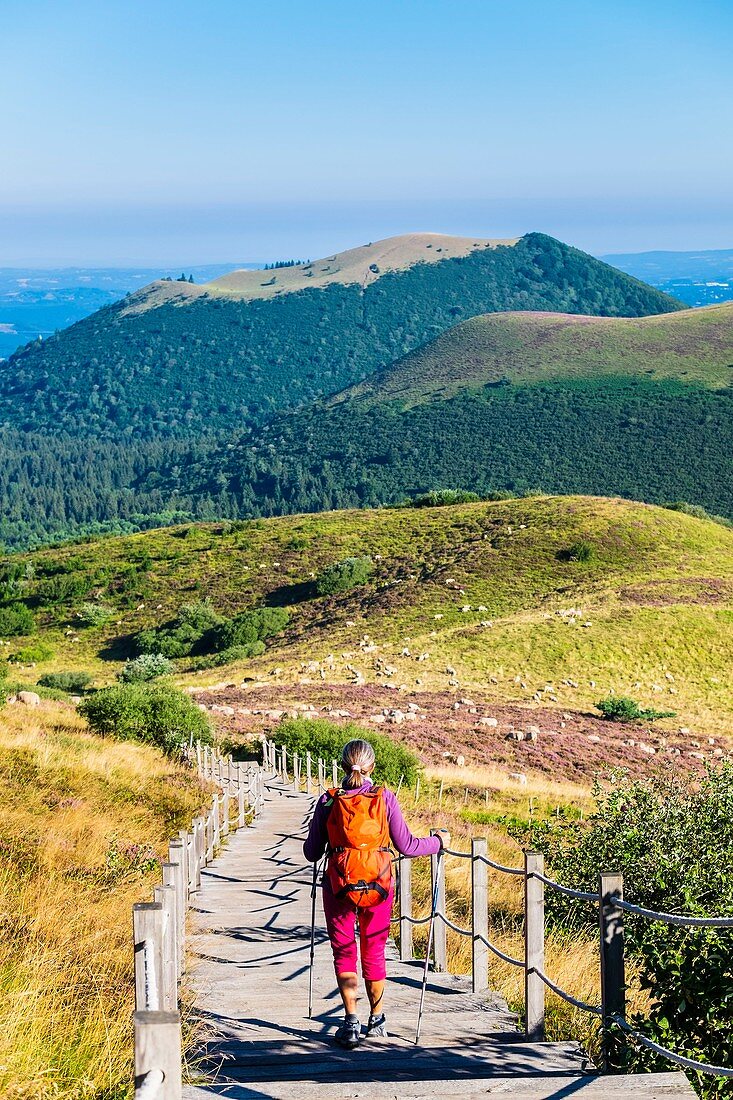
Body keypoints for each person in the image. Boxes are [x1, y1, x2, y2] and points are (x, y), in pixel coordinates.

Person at [303, 738, 450, 1048]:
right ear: (372, 767)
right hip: (380, 887)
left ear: (342, 766)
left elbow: (311, 852)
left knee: (344, 950)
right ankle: (378, 1020)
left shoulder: (329, 801)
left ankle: (351, 1021)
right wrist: (437, 842)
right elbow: (407, 846)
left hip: (339, 887)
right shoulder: (385, 799)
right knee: (374, 950)